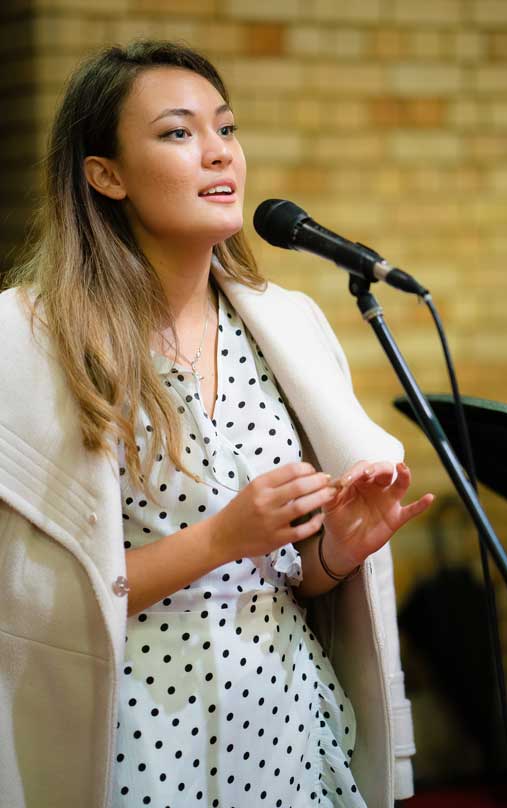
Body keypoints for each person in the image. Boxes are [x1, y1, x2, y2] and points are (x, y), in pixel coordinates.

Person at [0, 40, 434, 808]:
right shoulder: (27, 339)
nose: (217, 154)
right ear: (105, 174)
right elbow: (28, 598)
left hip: (288, 718)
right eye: (177, 133)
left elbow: (287, 575)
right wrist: (219, 540)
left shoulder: (286, 325)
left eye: (225, 129)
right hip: (134, 729)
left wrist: (335, 549)